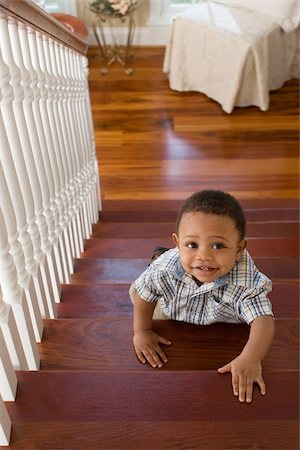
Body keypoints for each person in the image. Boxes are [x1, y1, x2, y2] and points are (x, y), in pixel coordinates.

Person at [130, 190, 275, 403]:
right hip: (173, 304)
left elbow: (264, 320)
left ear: (239, 249)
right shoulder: (164, 272)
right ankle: (161, 254)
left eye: (218, 246)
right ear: (178, 242)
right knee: (139, 290)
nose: (204, 256)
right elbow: (145, 296)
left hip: (220, 312)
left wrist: (251, 357)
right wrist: (141, 331)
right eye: (192, 245)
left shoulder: (246, 281)